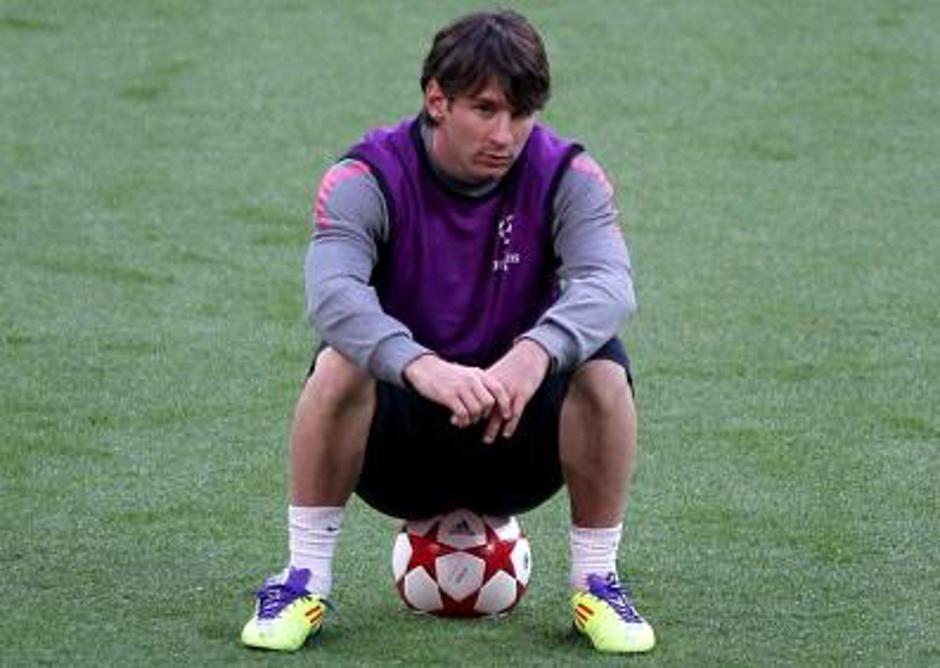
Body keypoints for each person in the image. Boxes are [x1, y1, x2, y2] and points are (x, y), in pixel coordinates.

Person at [240, 9, 655, 655]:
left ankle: (596, 581)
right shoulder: (365, 177)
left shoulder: (569, 176)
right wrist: (420, 366)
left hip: (516, 433)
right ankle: (303, 578)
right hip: (397, 446)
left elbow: (609, 285)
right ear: (437, 100)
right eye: (485, 110)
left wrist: (532, 354)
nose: (506, 134)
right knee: (339, 362)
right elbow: (332, 295)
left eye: (521, 114)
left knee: (602, 365)